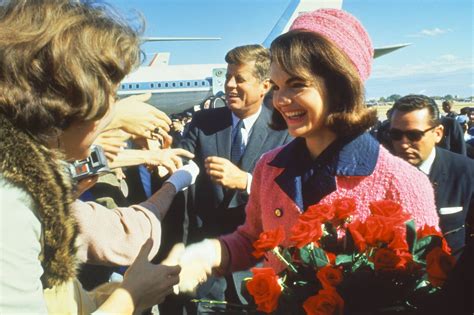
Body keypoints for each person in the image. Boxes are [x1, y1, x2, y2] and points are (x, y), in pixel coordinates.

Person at [173, 8, 440, 308]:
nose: (280, 100)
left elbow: (426, 289)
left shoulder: (402, 182)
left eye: (297, 84)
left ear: (340, 85)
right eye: (276, 86)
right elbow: (253, 240)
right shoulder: (269, 168)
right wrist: (204, 255)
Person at [0, 1, 190, 313]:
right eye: (110, 95)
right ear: (67, 96)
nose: (112, 110)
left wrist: (109, 296)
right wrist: (130, 298)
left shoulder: (27, 180)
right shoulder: (10, 203)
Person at [176, 44, 292, 310]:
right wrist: (166, 167)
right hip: (207, 270)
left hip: (258, 271)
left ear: (265, 86)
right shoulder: (203, 122)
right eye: (228, 76)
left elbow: (290, 195)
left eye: (239, 78)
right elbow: (183, 161)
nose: (229, 85)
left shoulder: (284, 129)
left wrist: (247, 182)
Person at [388, 94, 474, 255]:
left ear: (438, 133)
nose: (403, 144)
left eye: (414, 135)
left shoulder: (466, 173)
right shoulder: (381, 175)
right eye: (396, 135)